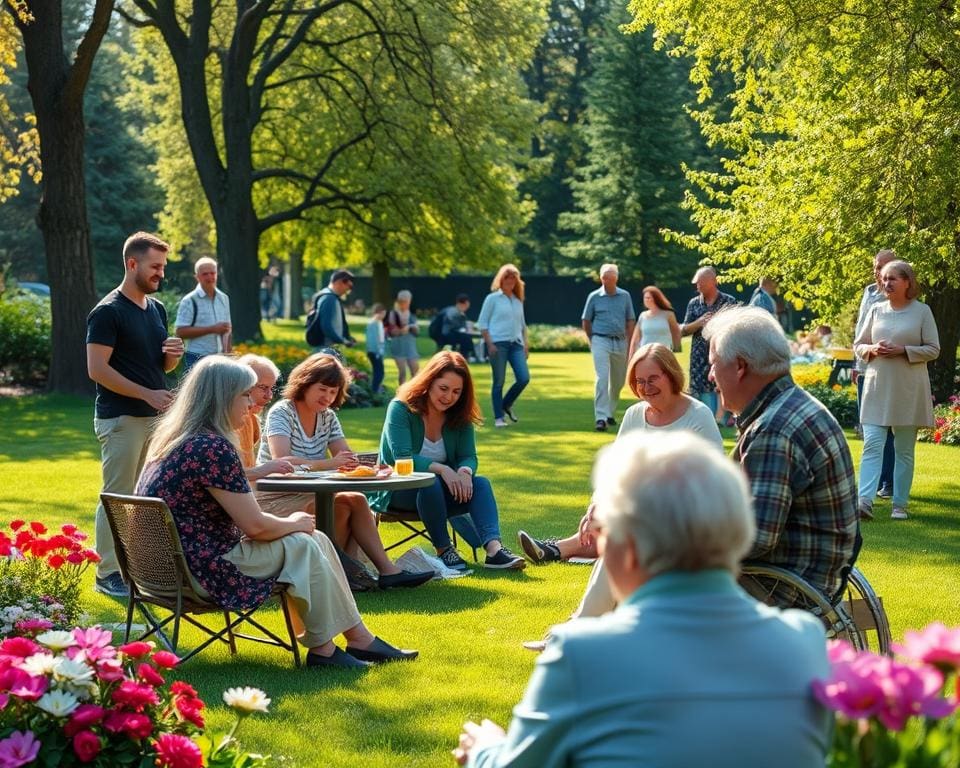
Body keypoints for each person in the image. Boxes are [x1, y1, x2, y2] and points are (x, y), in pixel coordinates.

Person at [455, 431, 831, 768]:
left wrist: (485, 752)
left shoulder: (581, 655)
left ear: (629, 548)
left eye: (604, 534)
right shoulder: (803, 640)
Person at [135, 357, 417, 668]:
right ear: (222, 397)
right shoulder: (211, 449)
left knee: (316, 539)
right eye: (245, 394)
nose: (251, 404)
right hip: (202, 571)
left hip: (163, 568)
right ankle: (328, 650)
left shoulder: (174, 441)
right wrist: (294, 522)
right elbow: (256, 527)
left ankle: (354, 640)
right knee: (303, 542)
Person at [704, 306, 859, 606]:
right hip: (806, 580)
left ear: (739, 366)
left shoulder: (774, 429)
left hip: (783, 590)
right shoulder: (792, 406)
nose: (710, 376)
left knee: (647, 581)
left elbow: (754, 537)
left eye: (713, 364)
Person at [519, 342, 721, 567]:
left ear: (671, 375)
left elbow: (713, 484)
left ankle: (559, 549)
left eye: (653, 379)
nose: (646, 387)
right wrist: (595, 505)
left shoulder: (698, 416)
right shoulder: (634, 415)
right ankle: (558, 550)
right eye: (640, 381)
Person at [256, 353, 432, 590]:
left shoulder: (327, 417)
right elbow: (282, 459)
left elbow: (346, 457)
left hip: (313, 492)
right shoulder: (282, 411)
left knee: (357, 500)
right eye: (322, 389)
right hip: (275, 496)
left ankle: (383, 572)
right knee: (341, 505)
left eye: (333, 392)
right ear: (304, 383)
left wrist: (369, 467)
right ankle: (340, 574)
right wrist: (330, 464)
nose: (327, 397)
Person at [86, 232, 185, 598]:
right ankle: (107, 573)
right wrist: (146, 393)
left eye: (162, 267)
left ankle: (136, 572)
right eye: (155, 266)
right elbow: (97, 369)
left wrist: (173, 354)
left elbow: (162, 366)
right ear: (132, 264)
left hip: (153, 419)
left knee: (146, 497)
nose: (161, 273)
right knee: (118, 495)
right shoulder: (108, 312)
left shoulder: (156, 309)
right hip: (121, 419)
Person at [370, 351, 525, 572]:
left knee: (481, 484)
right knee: (429, 482)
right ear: (429, 382)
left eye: (456, 392)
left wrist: (463, 471)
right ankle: (444, 549)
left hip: (443, 492)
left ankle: (494, 550)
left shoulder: (459, 415)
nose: (449, 397)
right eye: (443, 388)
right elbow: (402, 458)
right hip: (397, 489)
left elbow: (468, 456)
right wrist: (442, 469)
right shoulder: (401, 409)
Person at [855, 259, 940, 521]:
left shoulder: (922, 311)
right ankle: (864, 501)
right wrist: (871, 349)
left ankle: (899, 504)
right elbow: (859, 345)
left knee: (904, 449)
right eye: (884, 278)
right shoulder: (876, 310)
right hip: (877, 387)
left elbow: (933, 349)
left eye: (892, 278)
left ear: (907, 282)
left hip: (907, 390)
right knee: (872, 444)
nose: (886, 283)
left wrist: (904, 350)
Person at [853, 249, 897, 496]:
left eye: (881, 266)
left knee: (888, 427)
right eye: (875, 267)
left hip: (885, 369)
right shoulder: (869, 291)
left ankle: (889, 482)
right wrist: (855, 364)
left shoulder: (896, 297)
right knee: (869, 427)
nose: (877, 271)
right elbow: (861, 329)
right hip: (864, 366)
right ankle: (877, 481)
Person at [581, 264, 636, 432]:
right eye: (605, 278)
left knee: (618, 381)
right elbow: (586, 320)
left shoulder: (625, 296)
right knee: (602, 378)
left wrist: (630, 342)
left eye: (611, 278)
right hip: (600, 340)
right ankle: (601, 418)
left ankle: (609, 412)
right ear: (601, 278)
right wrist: (592, 339)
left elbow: (630, 320)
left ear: (616, 279)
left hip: (620, 341)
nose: (607, 281)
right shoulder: (594, 296)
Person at [681, 266, 737, 418]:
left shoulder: (728, 301)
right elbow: (683, 331)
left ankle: (723, 418)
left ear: (713, 282)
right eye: (697, 283)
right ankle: (703, 419)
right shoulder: (694, 303)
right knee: (699, 388)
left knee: (721, 383)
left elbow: (735, 328)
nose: (698, 286)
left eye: (701, 283)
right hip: (698, 355)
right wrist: (698, 323)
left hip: (721, 351)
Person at [478, 264, 530, 428]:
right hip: (498, 345)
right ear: (501, 279)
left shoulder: (517, 300)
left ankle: (506, 404)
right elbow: (483, 324)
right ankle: (499, 418)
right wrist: (490, 344)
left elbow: (522, 325)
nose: (510, 282)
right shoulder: (492, 299)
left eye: (513, 279)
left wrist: (526, 344)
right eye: (507, 278)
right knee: (498, 381)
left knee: (523, 378)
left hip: (516, 345)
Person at [175, 257, 232, 372]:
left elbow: (227, 329)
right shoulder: (189, 300)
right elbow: (180, 332)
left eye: (213, 273)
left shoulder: (224, 298)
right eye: (205, 274)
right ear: (197, 277)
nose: (210, 277)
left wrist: (228, 354)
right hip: (196, 358)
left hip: (219, 358)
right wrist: (212, 329)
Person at [305, 269, 356, 349]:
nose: (348, 290)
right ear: (339, 282)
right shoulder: (329, 298)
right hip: (326, 347)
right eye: (349, 286)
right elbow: (326, 326)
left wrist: (347, 338)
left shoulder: (329, 296)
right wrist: (342, 340)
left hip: (327, 347)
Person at [627, 284, 681, 359]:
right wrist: (631, 358)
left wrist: (676, 352)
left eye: (648, 298)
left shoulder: (668, 315)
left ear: (656, 299)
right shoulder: (642, 316)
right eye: (645, 298)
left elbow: (676, 333)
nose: (646, 300)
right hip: (645, 355)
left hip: (663, 355)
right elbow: (635, 339)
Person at [386, 289, 420, 385]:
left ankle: (415, 393)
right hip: (398, 346)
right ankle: (401, 395)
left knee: (415, 372)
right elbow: (391, 332)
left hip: (410, 347)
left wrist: (410, 327)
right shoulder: (393, 314)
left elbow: (417, 331)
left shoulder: (412, 314)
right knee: (402, 373)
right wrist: (399, 331)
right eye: (403, 301)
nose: (405, 304)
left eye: (407, 301)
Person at [437, 294, 475, 358]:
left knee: (465, 337)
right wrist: (464, 329)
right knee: (466, 338)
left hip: (444, 333)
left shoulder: (453, 310)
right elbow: (454, 325)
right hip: (446, 335)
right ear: (465, 303)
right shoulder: (454, 312)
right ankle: (466, 357)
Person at [365, 303, 386, 394]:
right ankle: (374, 391)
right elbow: (372, 340)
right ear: (379, 312)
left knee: (379, 372)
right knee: (379, 372)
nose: (384, 316)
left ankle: (376, 389)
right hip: (374, 352)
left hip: (378, 351)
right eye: (383, 313)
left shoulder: (379, 322)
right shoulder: (373, 323)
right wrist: (378, 352)